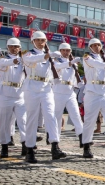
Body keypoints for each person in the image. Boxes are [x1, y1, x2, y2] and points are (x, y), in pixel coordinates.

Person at [21, 31, 68, 162]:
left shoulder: (49, 55)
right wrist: (47, 55)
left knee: (51, 116)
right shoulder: (28, 53)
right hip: (32, 87)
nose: (41, 43)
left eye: (43, 40)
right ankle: (30, 149)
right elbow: (30, 60)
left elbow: (56, 68)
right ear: (33, 42)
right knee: (32, 118)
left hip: (46, 88)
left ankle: (55, 146)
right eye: (38, 40)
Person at [52, 43, 85, 146]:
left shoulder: (73, 64)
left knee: (76, 115)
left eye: (68, 50)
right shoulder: (56, 61)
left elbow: (73, 78)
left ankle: (82, 139)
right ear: (60, 51)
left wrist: (78, 83)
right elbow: (58, 67)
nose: (66, 52)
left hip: (70, 92)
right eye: (64, 50)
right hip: (58, 91)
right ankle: (55, 140)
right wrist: (71, 63)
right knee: (57, 117)